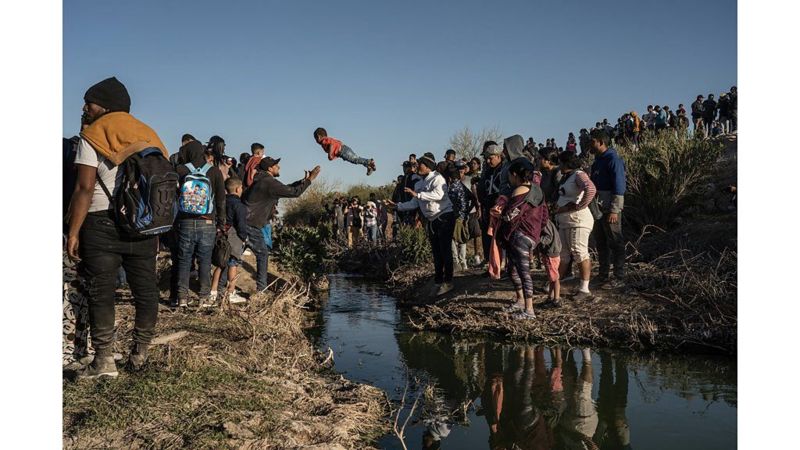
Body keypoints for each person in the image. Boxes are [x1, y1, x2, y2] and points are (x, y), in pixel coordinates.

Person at [66, 76, 169, 378]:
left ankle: (104, 361)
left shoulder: (93, 135)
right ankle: (140, 354)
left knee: (102, 292)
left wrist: (73, 231)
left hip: (100, 222)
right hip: (143, 224)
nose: (84, 108)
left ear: (105, 107)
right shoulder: (149, 135)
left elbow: (84, 188)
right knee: (145, 290)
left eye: (89, 102)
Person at [242, 157, 321, 292]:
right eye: (276, 166)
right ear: (269, 169)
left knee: (235, 256)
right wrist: (309, 180)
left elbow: (285, 188)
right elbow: (294, 193)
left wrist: (302, 181)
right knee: (262, 254)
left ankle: (221, 288)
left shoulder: (263, 180)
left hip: (246, 221)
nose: (279, 168)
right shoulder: (268, 182)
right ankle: (261, 289)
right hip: (251, 223)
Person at [387, 155, 456, 296]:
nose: (417, 166)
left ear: (428, 166)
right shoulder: (419, 184)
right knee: (436, 251)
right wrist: (397, 206)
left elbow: (438, 195)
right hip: (432, 220)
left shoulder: (437, 178)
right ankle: (438, 281)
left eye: (420, 164)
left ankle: (448, 281)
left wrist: (418, 195)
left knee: (445, 249)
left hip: (444, 216)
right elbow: (414, 203)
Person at [173, 140, 227, 307]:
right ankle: (203, 298)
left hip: (185, 221)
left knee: (184, 260)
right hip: (207, 221)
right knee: (204, 260)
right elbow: (220, 200)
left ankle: (182, 297)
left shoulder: (181, 170)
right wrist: (221, 222)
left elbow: (175, 196)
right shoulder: (214, 171)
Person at [496, 159, 548, 319]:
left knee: (523, 272)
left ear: (514, 174)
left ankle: (529, 310)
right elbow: (545, 214)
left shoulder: (519, 190)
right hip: (532, 233)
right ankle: (520, 301)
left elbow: (510, 214)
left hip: (520, 234)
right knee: (513, 269)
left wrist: (500, 215)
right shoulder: (537, 190)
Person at [555, 151, 597, 301]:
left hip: (578, 220)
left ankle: (584, 289)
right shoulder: (567, 177)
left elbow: (590, 189)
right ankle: (555, 284)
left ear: (566, 163)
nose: (558, 165)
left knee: (579, 252)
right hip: (567, 221)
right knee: (564, 253)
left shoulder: (578, 175)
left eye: (560, 162)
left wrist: (578, 206)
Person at [589, 129, 627, 288]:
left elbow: (619, 186)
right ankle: (603, 274)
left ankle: (619, 276)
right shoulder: (598, 161)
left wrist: (614, 209)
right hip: (597, 210)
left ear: (601, 142)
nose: (589, 144)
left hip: (609, 209)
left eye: (592, 141)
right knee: (601, 242)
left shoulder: (613, 159)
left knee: (616, 241)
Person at [210, 177, 249, 306]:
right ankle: (231, 293)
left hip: (220, 236)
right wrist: (244, 238)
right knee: (233, 264)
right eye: (242, 188)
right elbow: (241, 225)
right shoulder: (240, 206)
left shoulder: (220, 202)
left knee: (220, 264)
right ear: (238, 189)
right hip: (234, 237)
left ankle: (213, 292)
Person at [446, 164, 474, 272]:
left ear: (450, 178)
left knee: (453, 238)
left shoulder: (451, 188)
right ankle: (464, 262)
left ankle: (456, 262)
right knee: (463, 238)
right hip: (464, 216)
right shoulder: (463, 186)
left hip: (455, 217)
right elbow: (472, 198)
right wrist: (467, 210)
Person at [538, 218, 562, 307]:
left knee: (554, 278)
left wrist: (536, 239)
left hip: (551, 253)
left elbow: (548, 237)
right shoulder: (545, 221)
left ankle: (556, 300)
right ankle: (551, 297)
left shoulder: (544, 222)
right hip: (550, 252)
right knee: (551, 277)